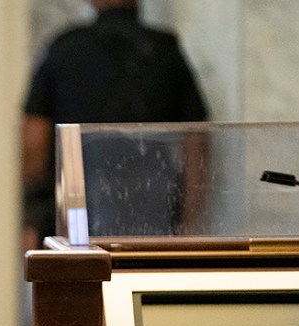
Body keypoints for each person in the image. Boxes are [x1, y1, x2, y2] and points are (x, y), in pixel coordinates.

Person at [21, 0, 208, 249]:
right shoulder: (166, 51)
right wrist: (188, 223)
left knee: (78, 280)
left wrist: (33, 216)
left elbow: (34, 144)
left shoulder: (65, 49)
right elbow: (197, 143)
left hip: (77, 209)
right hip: (152, 208)